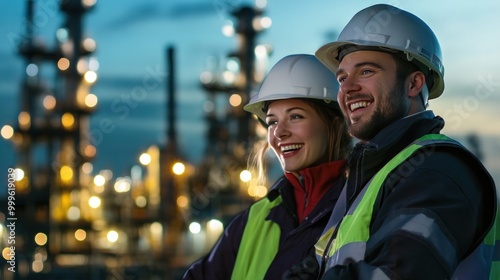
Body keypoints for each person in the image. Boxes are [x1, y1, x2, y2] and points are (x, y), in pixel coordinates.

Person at [312, 4, 499, 280]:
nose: (347, 88)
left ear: (413, 85)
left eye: (365, 72)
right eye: (342, 77)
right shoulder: (373, 176)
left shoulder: (437, 171)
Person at [182, 54, 352, 279]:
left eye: (295, 116)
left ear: (336, 124)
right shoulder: (256, 218)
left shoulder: (358, 207)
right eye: (272, 121)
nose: (280, 132)